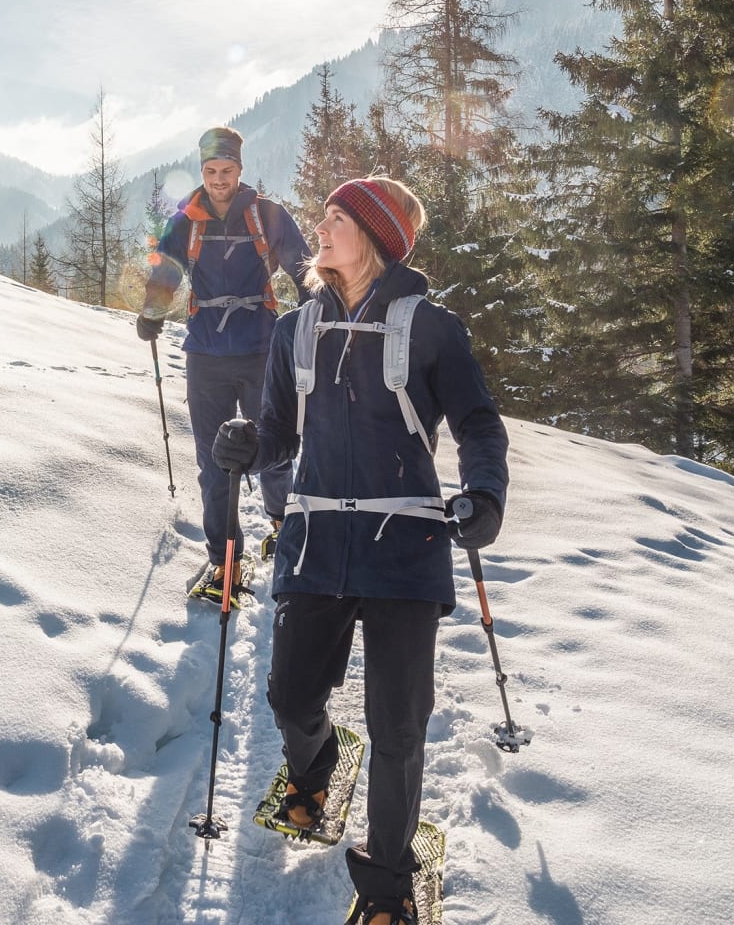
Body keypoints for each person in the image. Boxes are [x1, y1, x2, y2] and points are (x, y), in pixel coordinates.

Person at [211, 176, 509, 925]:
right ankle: (316, 766)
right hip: (315, 540)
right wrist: (248, 445)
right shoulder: (296, 330)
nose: (321, 227)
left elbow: (478, 423)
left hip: (406, 546)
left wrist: (484, 494)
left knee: (398, 727)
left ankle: (387, 887)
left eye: (337, 217)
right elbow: (279, 432)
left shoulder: (431, 328)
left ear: (374, 238)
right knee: (290, 697)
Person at [137, 126, 310, 587]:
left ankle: (281, 523)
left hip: (262, 351)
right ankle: (225, 560)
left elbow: (303, 267)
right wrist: (152, 311)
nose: (218, 179)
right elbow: (166, 269)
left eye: (226, 170)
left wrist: (319, 312)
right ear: (202, 170)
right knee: (213, 464)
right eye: (211, 170)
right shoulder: (186, 219)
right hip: (206, 356)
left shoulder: (267, 214)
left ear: (239, 168)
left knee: (275, 449)